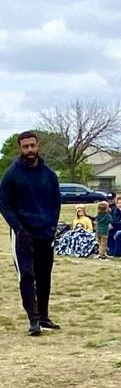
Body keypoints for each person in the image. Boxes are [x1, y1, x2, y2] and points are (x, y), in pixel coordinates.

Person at [0, 131, 60, 335]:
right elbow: (4, 204)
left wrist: (52, 226)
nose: (30, 150)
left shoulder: (49, 174)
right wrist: (19, 229)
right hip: (23, 234)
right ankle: (33, 320)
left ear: (38, 146)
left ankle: (43, 316)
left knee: (44, 276)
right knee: (27, 275)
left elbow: (55, 203)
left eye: (32, 146)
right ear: (20, 148)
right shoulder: (12, 174)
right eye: (25, 147)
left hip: (45, 233)